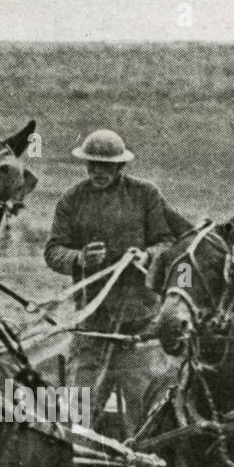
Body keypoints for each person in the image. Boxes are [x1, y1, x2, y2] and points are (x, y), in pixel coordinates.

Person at [43, 128, 176, 434]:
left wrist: (147, 256)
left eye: (105, 166)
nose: (97, 172)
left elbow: (169, 242)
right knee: (77, 416)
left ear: (120, 166)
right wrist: (79, 258)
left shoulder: (146, 195)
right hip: (91, 327)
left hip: (138, 328)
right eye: (92, 164)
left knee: (145, 418)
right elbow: (53, 251)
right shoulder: (71, 200)